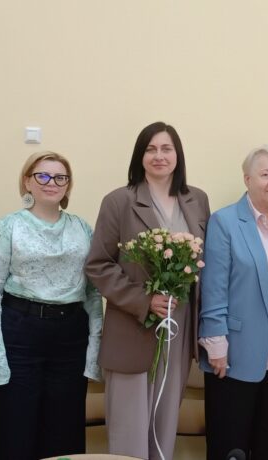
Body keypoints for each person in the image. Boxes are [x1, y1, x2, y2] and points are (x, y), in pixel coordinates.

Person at [85, 122, 210, 460]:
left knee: (165, 425)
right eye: (151, 149)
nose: (159, 156)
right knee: (130, 430)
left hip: (178, 327)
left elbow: (203, 263)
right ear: (140, 156)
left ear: (177, 155)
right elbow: (98, 265)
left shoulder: (197, 200)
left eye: (166, 149)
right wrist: (144, 300)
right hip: (132, 327)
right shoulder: (119, 201)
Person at [0, 151, 102, 460]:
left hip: (70, 335)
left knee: (63, 424)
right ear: (27, 182)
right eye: (42, 175)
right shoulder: (8, 226)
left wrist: (95, 344)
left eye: (60, 177)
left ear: (68, 185)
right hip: (20, 331)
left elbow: (93, 293)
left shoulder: (82, 228)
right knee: (15, 423)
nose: (51, 182)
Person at [198, 145, 268, 460]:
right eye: (266, 174)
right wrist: (215, 341)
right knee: (230, 444)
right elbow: (214, 287)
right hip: (233, 355)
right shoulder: (225, 221)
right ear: (247, 179)